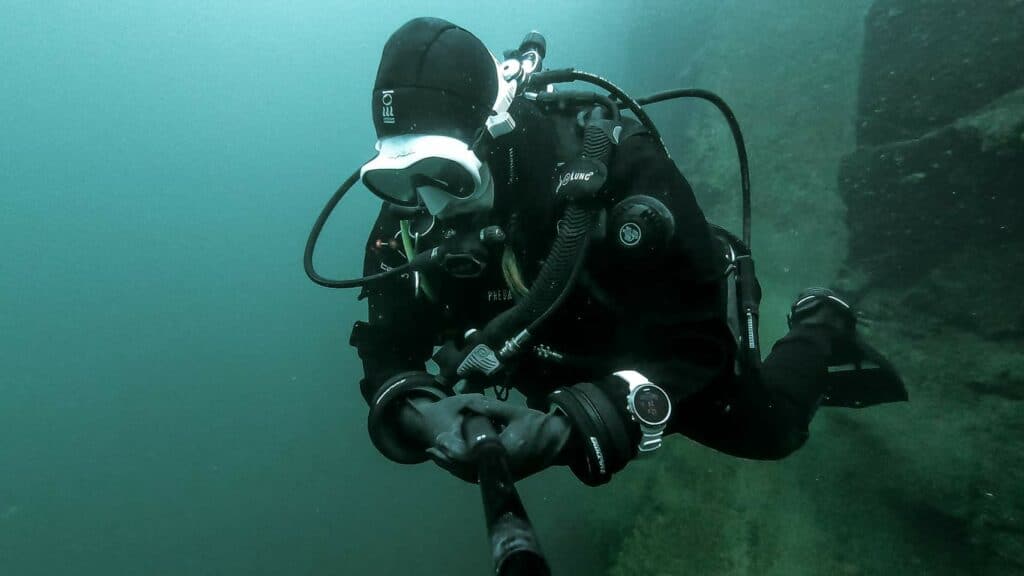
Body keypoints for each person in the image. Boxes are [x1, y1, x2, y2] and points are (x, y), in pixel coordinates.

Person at [340, 17, 907, 486]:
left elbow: (697, 347)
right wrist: (419, 414)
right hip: (543, 357)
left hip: (645, 333)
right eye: (401, 178)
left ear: (498, 131)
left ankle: (821, 321)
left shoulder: (621, 169)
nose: (429, 203)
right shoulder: (411, 214)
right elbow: (386, 347)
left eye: (448, 174)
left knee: (773, 431)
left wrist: (580, 425)